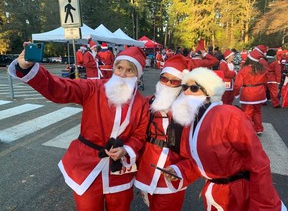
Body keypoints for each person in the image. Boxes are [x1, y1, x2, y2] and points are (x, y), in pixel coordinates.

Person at [8, 43, 150, 211]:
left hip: (119, 172)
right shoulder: (94, 88)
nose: (122, 74)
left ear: (138, 75)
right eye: (119, 68)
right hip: (86, 165)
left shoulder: (141, 103)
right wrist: (28, 68)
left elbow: (140, 136)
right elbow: (61, 87)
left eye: (130, 70)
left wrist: (126, 149)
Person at [162, 67, 287, 211]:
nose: (186, 92)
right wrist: (178, 170)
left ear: (209, 92)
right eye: (184, 87)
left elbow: (258, 162)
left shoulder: (229, 115)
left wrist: (264, 206)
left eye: (194, 88)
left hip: (237, 195)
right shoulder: (191, 121)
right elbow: (203, 161)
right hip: (214, 193)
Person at [134, 54, 189, 211]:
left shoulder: (189, 110)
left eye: (175, 81)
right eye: (164, 79)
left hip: (172, 170)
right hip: (147, 167)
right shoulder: (149, 102)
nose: (168, 84)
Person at [233, 49, 268, 136]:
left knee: (247, 112)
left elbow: (238, 84)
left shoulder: (244, 69)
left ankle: (247, 129)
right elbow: (265, 81)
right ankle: (259, 128)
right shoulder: (262, 69)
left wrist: (236, 93)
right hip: (260, 93)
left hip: (248, 93)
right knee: (257, 111)